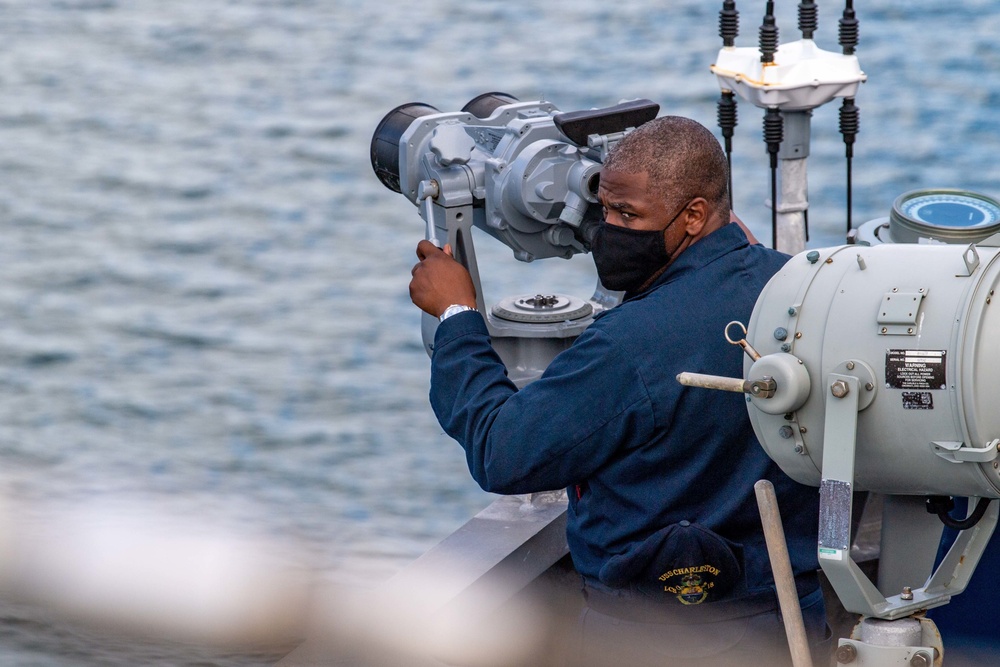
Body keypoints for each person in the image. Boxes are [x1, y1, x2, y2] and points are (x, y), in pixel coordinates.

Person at [408, 116, 828, 666]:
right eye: (603, 210)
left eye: (628, 215)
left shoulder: (631, 345)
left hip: (655, 638)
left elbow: (501, 451)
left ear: (694, 216)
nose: (607, 231)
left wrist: (457, 313)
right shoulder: (806, 290)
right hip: (794, 622)